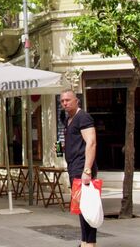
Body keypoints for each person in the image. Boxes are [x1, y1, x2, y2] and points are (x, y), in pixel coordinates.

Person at [61, 89, 98, 247]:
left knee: (88, 206)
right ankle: (84, 241)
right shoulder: (67, 118)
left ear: (77, 100)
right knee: (81, 207)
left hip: (82, 168)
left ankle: (90, 243)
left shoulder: (83, 117)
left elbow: (91, 142)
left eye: (68, 100)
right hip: (74, 167)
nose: (65, 103)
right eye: (62, 101)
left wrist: (87, 170)